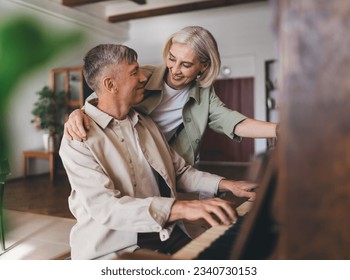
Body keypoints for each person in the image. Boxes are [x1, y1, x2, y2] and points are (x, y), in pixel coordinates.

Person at [59, 44, 257, 260]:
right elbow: (107, 208)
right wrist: (181, 208)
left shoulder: (146, 122)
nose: (144, 78)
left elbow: (180, 172)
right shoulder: (78, 139)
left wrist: (228, 185)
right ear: (110, 84)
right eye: (134, 72)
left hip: (164, 233)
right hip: (114, 249)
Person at [64, 26, 278, 167]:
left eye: (186, 65)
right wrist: (77, 113)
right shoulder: (142, 76)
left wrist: (280, 130)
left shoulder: (204, 95)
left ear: (203, 67)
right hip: (129, 160)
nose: (175, 70)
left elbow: (234, 122)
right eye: (172, 59)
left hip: (168, 165)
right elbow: (100, 96)